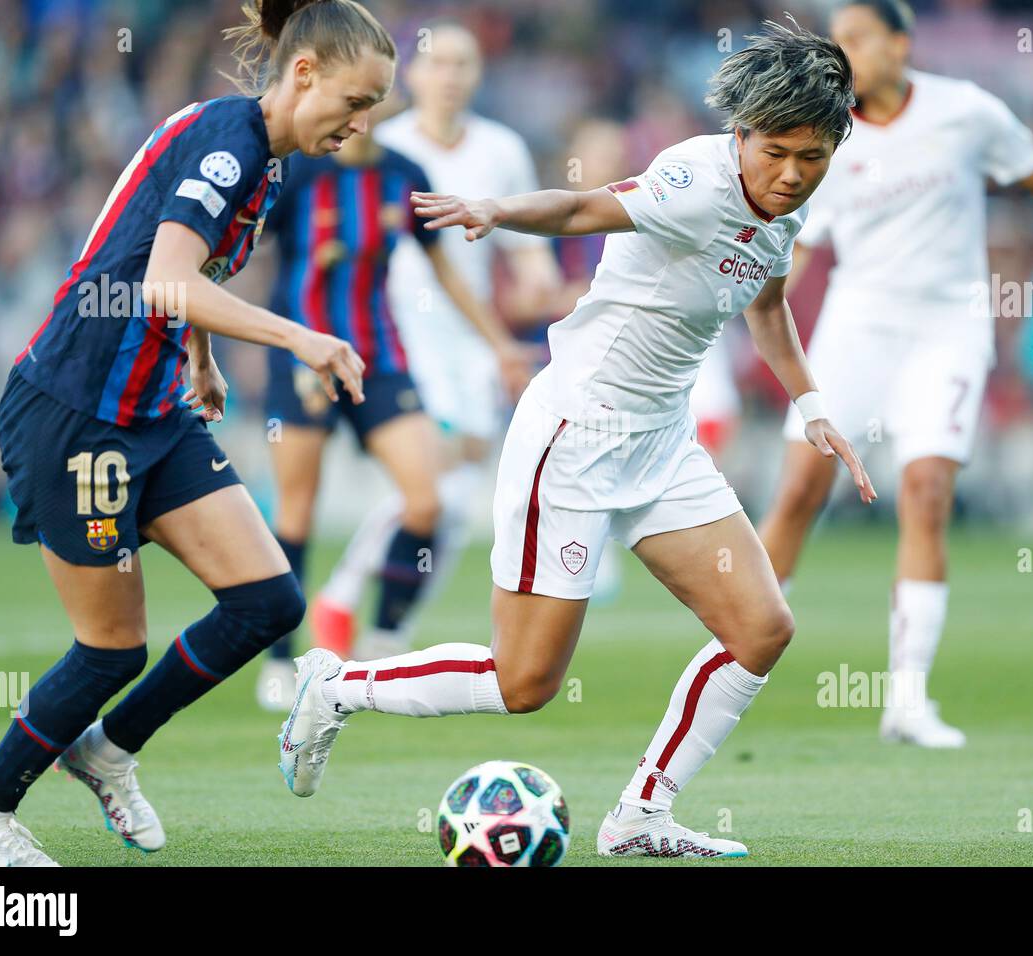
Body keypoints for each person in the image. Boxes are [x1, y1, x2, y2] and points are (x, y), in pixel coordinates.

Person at [279, 17, 877, 860]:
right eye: (775, 151)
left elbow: (769, 305)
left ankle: (640, 816)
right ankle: (337, 686)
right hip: (577, 435)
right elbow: (581, 206)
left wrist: (812, 404)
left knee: (761, 628)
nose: (790, 174)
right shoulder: (694, 182)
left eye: (811, 157)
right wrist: (497, 210)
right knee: (523, 684)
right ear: (741, 134)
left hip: (662, 443)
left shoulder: (788, 202)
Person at [0, 0, 395, 866]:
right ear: (304, 74)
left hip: (154, 408)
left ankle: (107, 752)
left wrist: (202, 358)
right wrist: (298, 335)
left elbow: (190, 275)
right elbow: (166, 277)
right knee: (111, 650)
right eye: (354, 100)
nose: (361, 122)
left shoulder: (265, 157)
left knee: (268, 602)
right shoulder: (228, 144)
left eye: (372, 107)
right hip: (79, 416)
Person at [757, 0, 1033, 747]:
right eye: (837, 41)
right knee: (800, 489)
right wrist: (747, 309)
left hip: (949, 328)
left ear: (901, 43)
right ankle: (734, 659)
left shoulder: (965, 113)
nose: (847, 52)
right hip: (856, 327)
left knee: (927, 489)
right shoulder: (820, 139)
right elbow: (795, 248)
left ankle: (907, 699)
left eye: (861, 37)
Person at [254, 119, 530, 710]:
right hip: (303, 361)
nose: (360, 111)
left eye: (372, 96)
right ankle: (280, 661)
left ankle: (382, 642)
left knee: (426, 500)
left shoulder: (403, 176)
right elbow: (252, 247)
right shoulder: (300, 170)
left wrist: (499, 342)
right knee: (297, 511)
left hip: (378, 360)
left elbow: (445, 270)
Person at [308, 21, 561, 660]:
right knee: (435, 484)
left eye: (462, 63)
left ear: (477, 75)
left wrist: (542, 293)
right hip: (394, 332)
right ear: (411, 75)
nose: (449, 75)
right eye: (437, 63)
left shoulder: (500, 150)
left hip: (470, 340)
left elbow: (526, 249)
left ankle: (377, 623)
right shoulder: (376, 142)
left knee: (452, 501)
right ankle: (349, 603)